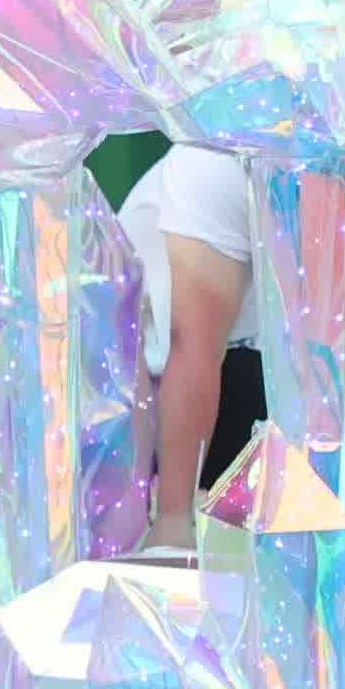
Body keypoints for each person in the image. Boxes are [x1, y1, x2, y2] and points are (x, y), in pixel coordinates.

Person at [111, 133, 264, 518]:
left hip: (235, 359)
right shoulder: (213, 162)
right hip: (142, 380)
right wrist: (173, 519)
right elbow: (192, 349)